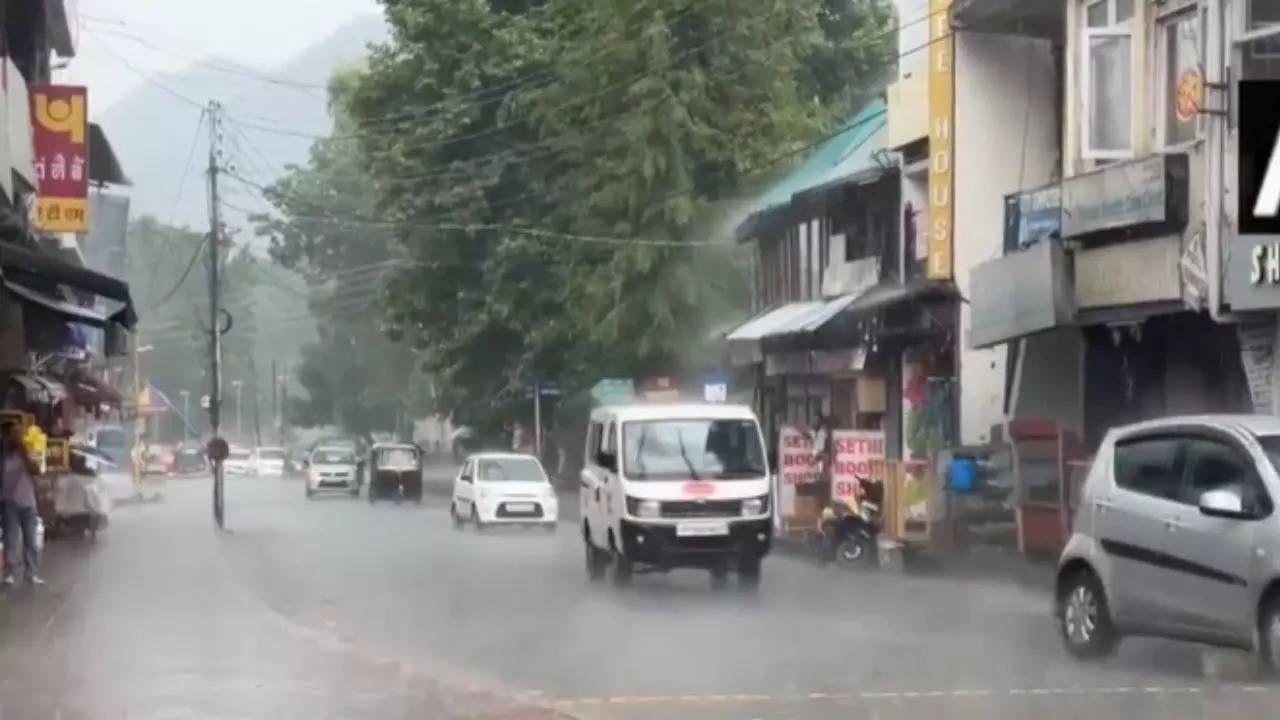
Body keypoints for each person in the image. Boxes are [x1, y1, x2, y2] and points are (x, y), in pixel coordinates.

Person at [1, 421, 42, 585]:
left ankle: (31, 573)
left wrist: (26, 453)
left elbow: (36, 470)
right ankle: (10, 573)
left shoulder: (26, 451)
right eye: (14, 433)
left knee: (31, 539)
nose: (18, 436)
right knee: (11, 538)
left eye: (19, 433)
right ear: (6, 435)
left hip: (27, 501)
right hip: (8, 500)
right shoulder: (2, 454)